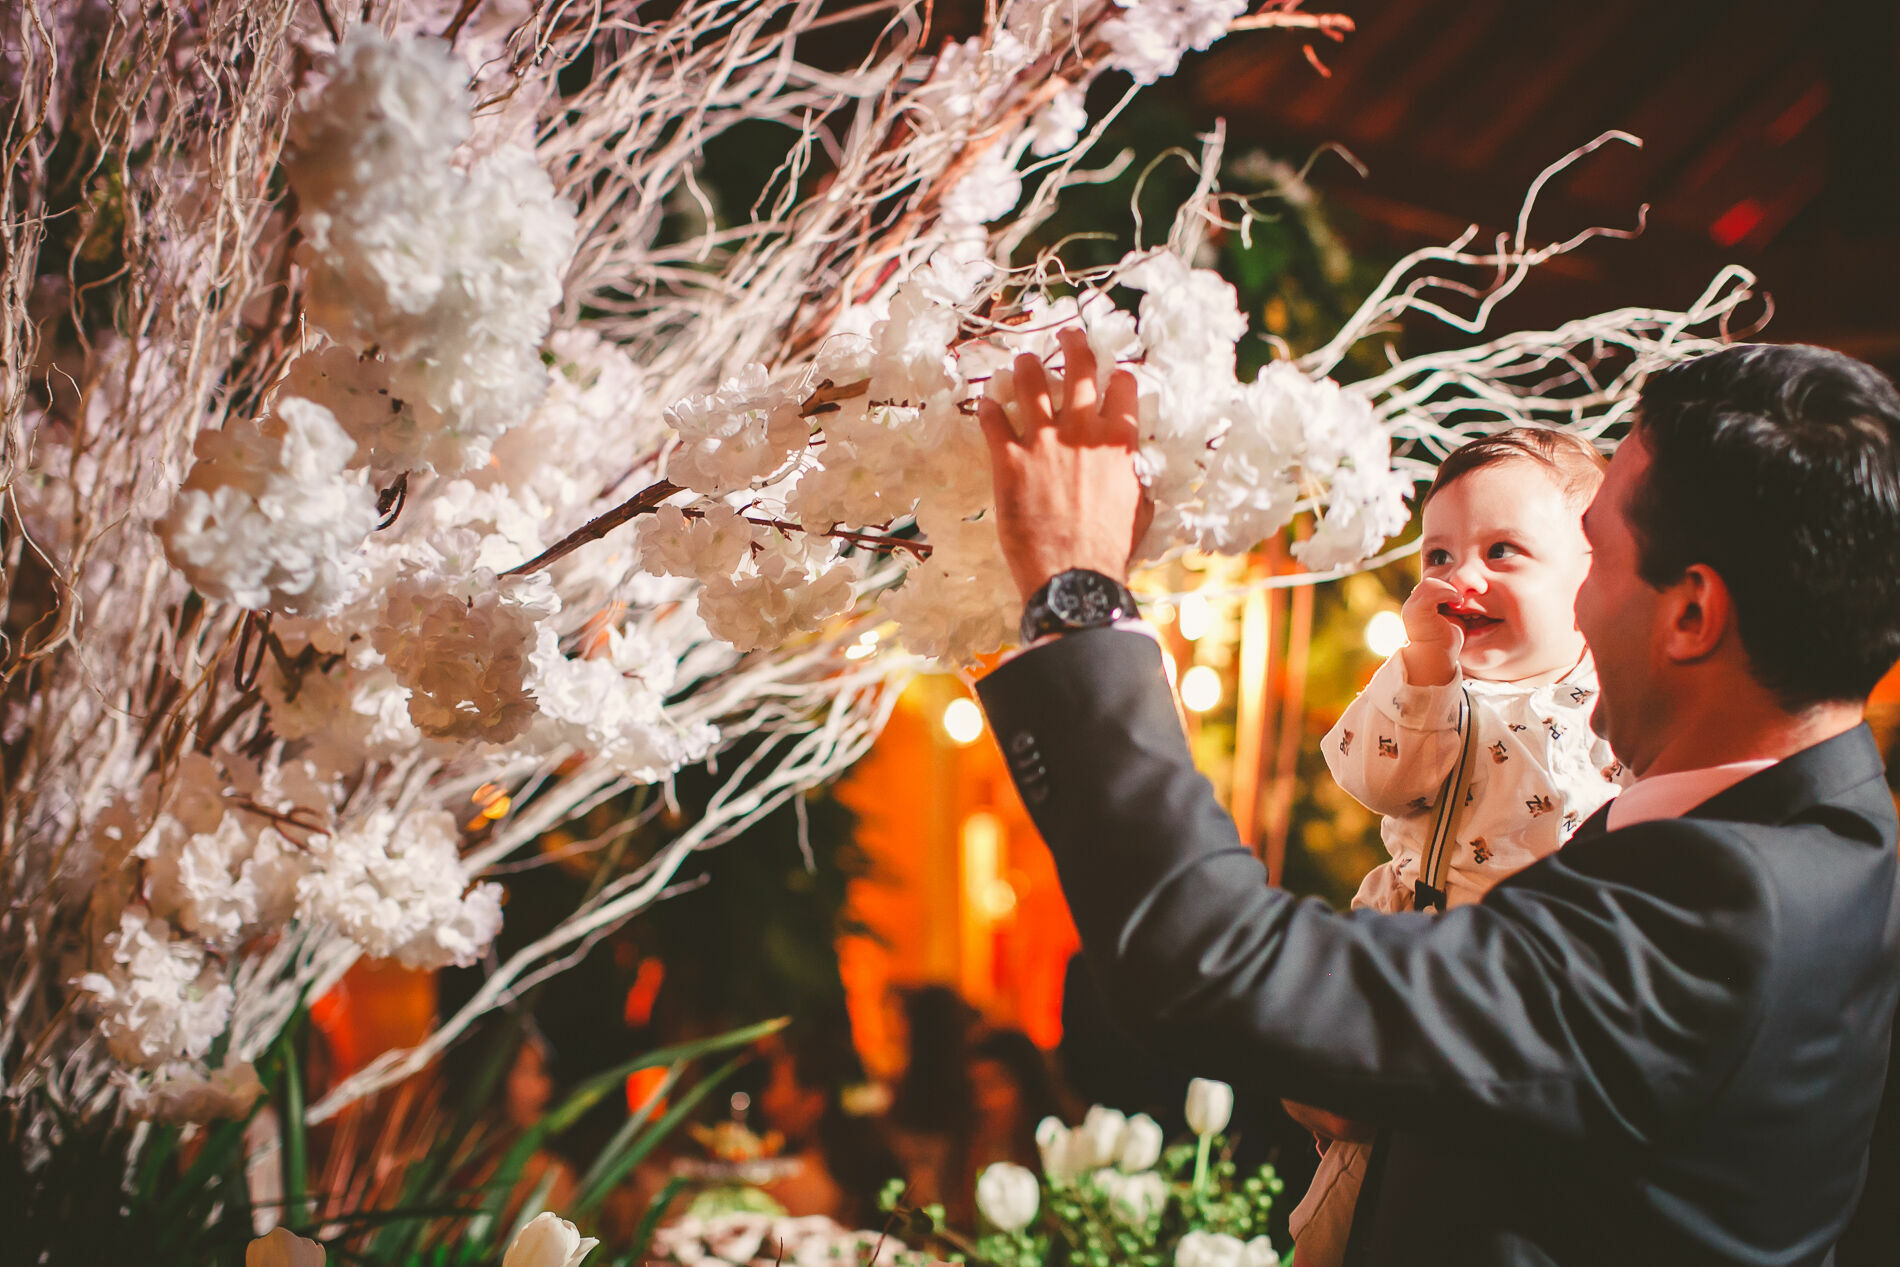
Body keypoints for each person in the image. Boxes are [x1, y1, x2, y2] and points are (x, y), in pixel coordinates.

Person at [973, 331, 1900, 1265]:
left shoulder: (1731, 909)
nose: (1576, 606)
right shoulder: (1834, 835)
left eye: (1597, 552)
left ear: (1691, 614)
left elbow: (1214, 959)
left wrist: (1078, 598)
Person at [1287, 427, 1625, 1263]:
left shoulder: (1612, 696)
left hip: (1537, 998)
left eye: (1503, 552)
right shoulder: (1433, 684)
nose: (1458, 578)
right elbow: (1378, 779)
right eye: (1439, 553)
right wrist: (1426, 667)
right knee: (1349, 1207)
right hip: (1408, 968)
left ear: (1593, 573)